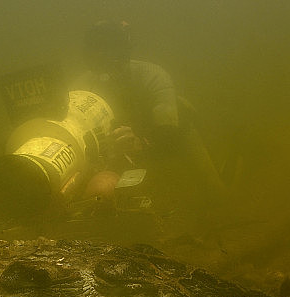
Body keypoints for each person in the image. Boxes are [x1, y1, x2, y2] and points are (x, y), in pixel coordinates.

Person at [72, 20, 225, 217]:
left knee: (215, 192)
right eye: (97, 50)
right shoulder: (82, 86)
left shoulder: (152, 76)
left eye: (109, 50)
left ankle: (214, 192)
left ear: (122, 51)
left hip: (160, 140)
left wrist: (141, 142)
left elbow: (170, 128)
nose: (103, 58)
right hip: (117, 150)